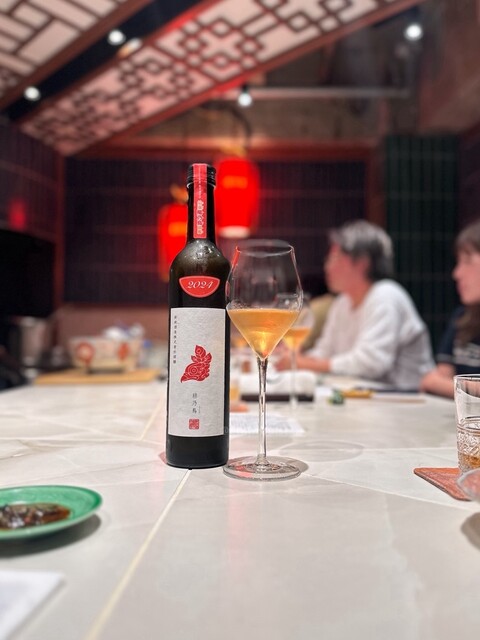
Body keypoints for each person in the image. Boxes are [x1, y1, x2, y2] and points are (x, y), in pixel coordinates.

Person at [276, 219, 434, 389]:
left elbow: (371, 363)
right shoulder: (342, 303)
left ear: (361, 263)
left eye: (334, 257)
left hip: (407, 397)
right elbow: (324, 352)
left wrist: (302, 363)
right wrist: (292, 360)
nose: (327, 266)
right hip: (367, 395)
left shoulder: (386, 296)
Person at [420, 218, 480, 398]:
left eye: (467, 261)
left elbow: (436, 382)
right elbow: (435, 378)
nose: (456, 273)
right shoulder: (463, 317)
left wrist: (446, 385)